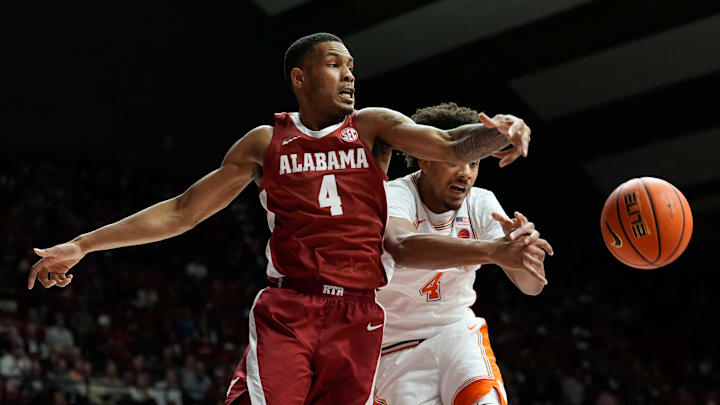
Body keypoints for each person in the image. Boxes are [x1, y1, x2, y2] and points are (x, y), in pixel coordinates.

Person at [28, 33, 532, 405]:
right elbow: (182, 211)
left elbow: (449, 143)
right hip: (292, 307)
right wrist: (83, 244)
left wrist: (500, 131)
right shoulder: (265, 143)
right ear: (300, 77)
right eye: (335, 65)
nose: (350, 75)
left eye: (352, 66)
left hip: (359, 316)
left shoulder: (374, 127)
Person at [375, 103, 553, 405]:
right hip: (391, 349)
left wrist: (522, 253)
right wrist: (496, 251)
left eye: (474, 164)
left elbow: (531, 286)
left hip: (455, 332)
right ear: (426, 159)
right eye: (457, 161)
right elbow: (403, 246)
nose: (466, 173)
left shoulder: (482, 203)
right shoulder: (395, 196)